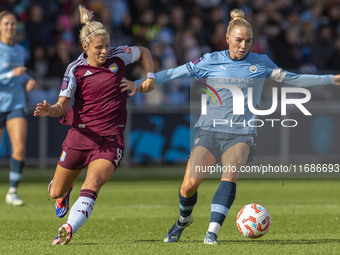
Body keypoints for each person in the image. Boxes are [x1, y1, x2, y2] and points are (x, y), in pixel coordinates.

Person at [132, 9, 340, 245]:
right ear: (228, 38)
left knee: (229, 176)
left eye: (248, 41)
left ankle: (212, 233)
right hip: (209, 131)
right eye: (239, 40)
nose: (243, 45)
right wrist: (139, 83)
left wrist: (332, 79)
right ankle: (183, 220)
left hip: (241, 133)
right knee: (188, 186)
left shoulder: (261, 62)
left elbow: (293, 78)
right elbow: (173, 73)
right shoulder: (210, 60)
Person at [33, 5, 155, 246]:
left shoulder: (119, 56)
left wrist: (147, 79)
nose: (104, 52)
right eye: (98, 48)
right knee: (54, 191)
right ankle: (63, 194)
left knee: (93, 183)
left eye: (106, 46)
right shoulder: (75, 71)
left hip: (110, 141)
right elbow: (60, 107)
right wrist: (50, 111)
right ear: (85, 47)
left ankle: (68, 228)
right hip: (80, 137)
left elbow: (143, 51)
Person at [0, 10, 36, 206]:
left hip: (16, 103)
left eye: (12, 24)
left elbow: (20, 75)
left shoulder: (20, 50)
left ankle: (12, 191)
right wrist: (10, 74)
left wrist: (28, 79)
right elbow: (11, 74)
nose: (10, 27)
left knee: (19, 148)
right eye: (6, 24)